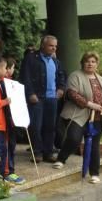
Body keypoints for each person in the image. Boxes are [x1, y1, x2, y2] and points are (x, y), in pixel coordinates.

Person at [53, 52, 102, 182]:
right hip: (78, 115)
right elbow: (72, 94)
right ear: (83, 63)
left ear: (97, 64)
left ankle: (94, 174)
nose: (90, 64)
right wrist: (90, 104)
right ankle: (61, 159)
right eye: (87, 61)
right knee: (74, 139)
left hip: (97, 118)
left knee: (94, 145)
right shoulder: (75, 76)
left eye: (93, 62)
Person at [19, 35, 66, 163]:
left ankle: (48, 153)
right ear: (43, 45)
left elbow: (62, 76)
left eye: (55, 46)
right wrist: (30, 93)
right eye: (51, 46)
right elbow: (25, 77)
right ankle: (37, 153)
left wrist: (61, 89)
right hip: (37, 98)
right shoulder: (31, 58)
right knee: (35, 126)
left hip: (52, 99)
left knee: (50, 127)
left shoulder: (56, 61)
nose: (54, 48)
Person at [3, 57, 26, 185]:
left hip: (13, 120)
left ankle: (10, 170)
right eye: (12, 68)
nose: (12, 70)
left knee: (11, 146)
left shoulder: (12, 83)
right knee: (7, 147)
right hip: (5, 121)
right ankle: (7, 172)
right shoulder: (3, 84)